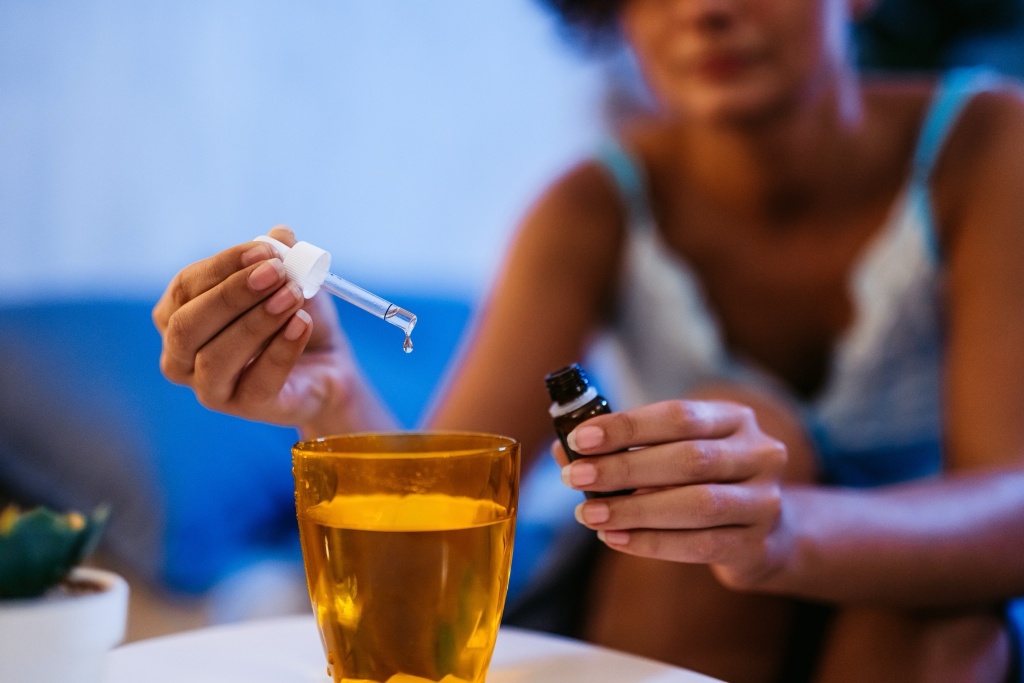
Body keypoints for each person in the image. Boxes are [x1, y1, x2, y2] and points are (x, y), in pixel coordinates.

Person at [153, 0, 1024, 680]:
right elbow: (446, 496)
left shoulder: (986, 148)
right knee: (734, 452)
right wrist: (333, 398)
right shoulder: (590, 208)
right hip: (684, 606)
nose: (703, 11)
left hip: (921, 607)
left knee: (943, 631)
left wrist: (779, 528)